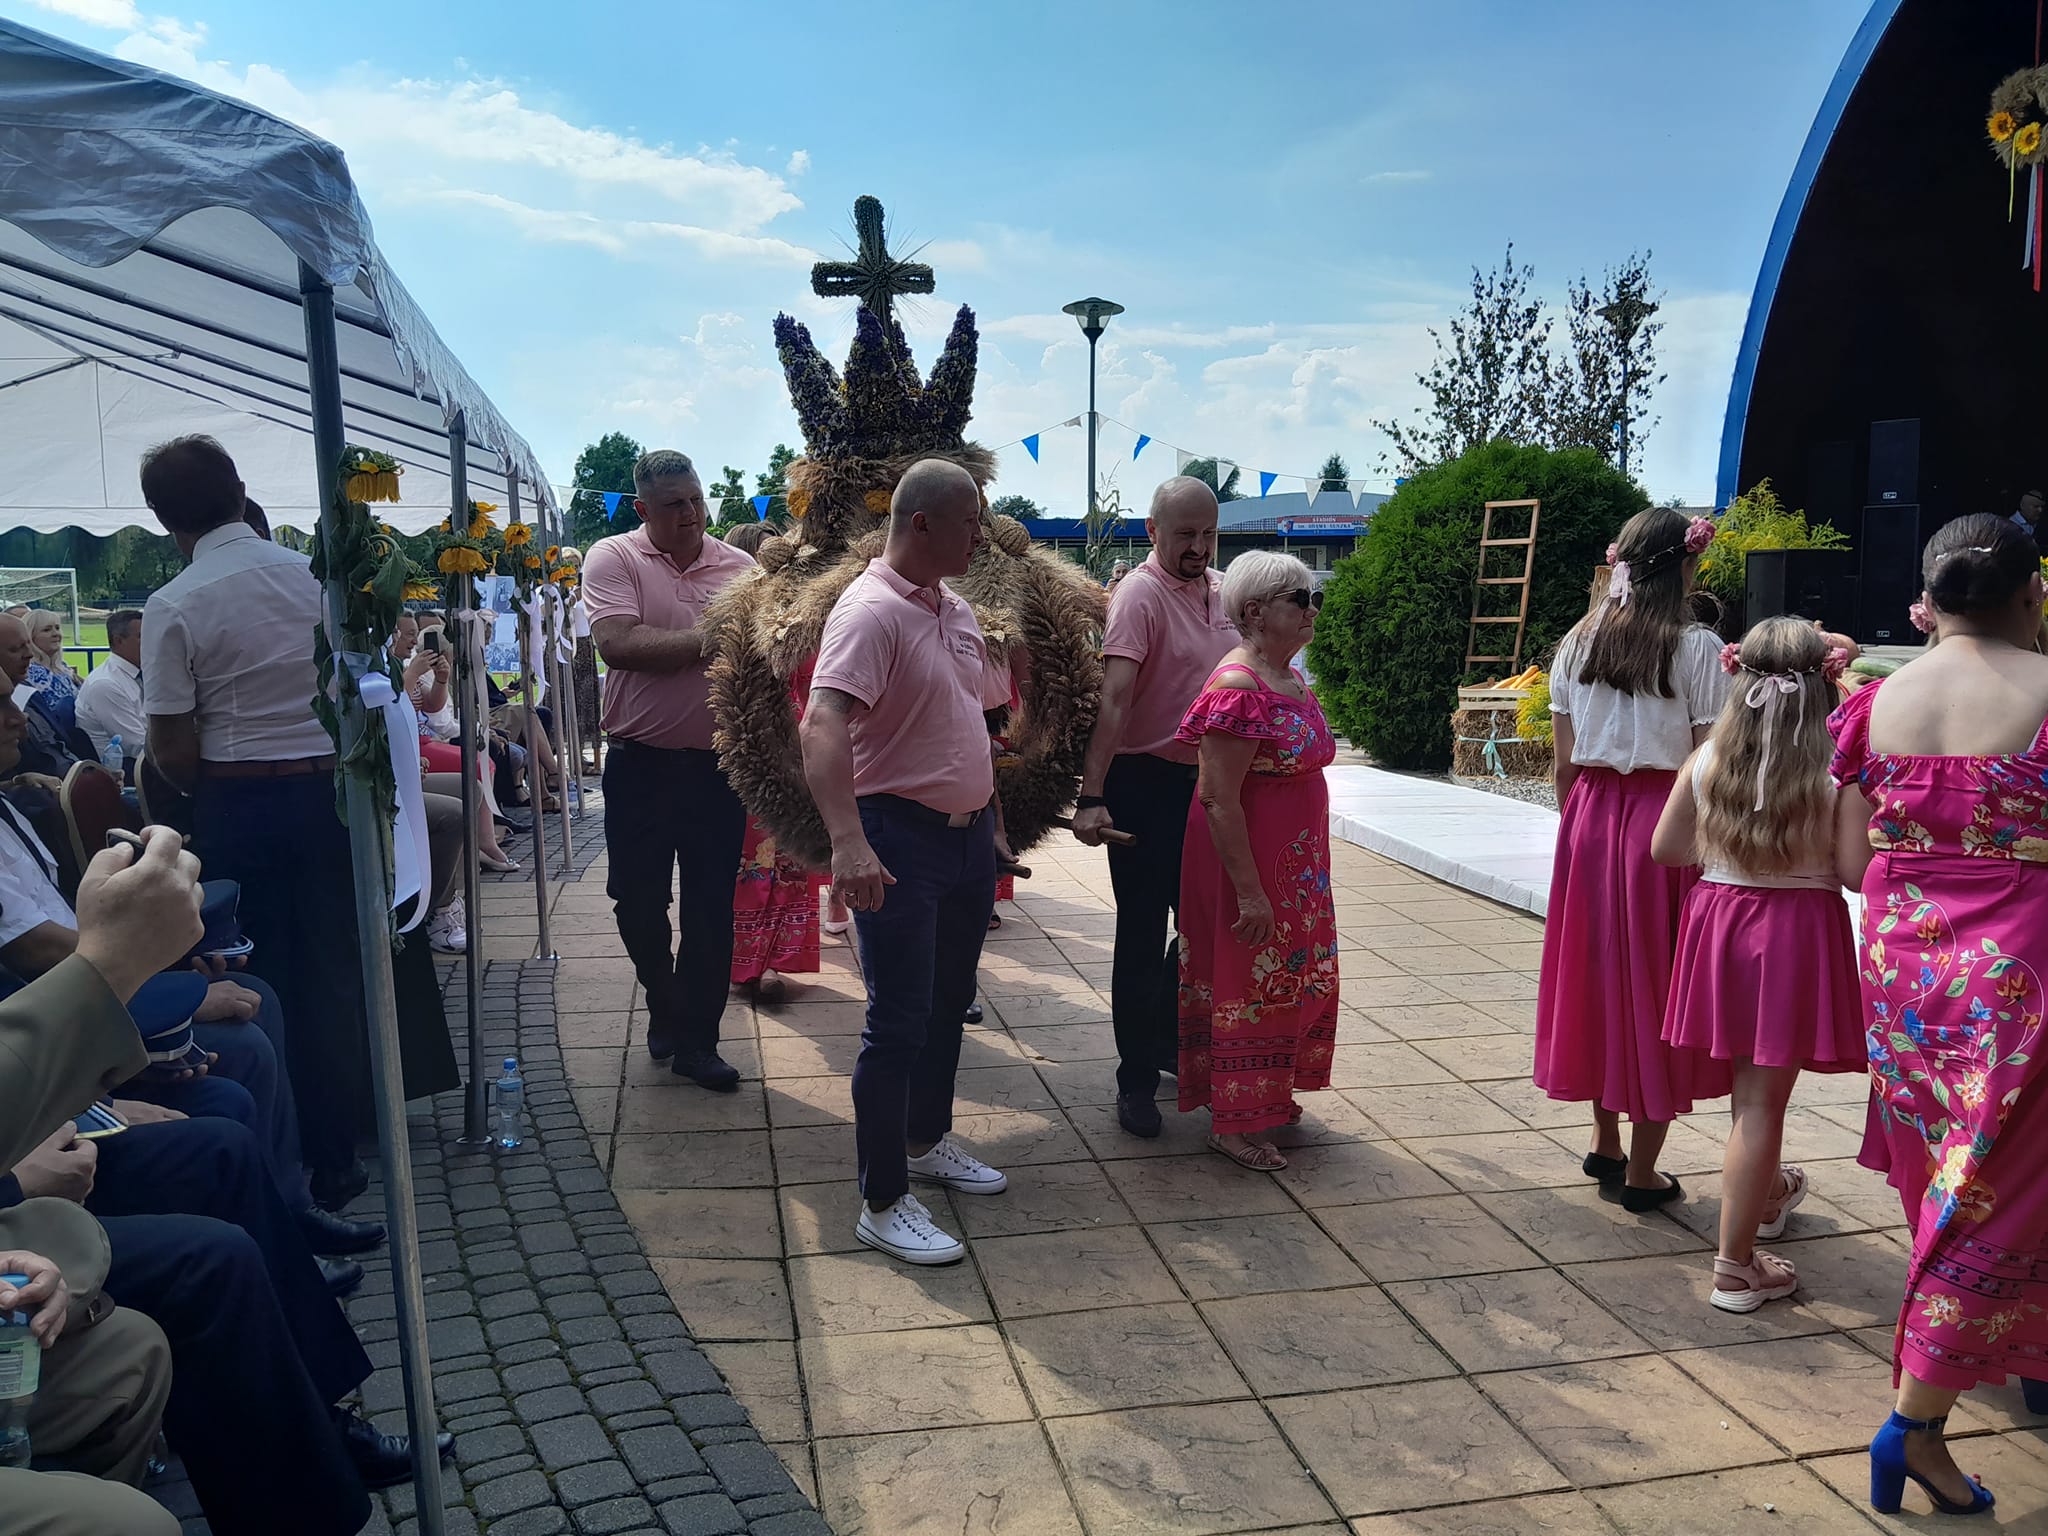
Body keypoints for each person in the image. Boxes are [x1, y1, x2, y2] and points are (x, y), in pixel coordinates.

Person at [1831, 513, 2048, 1517]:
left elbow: (1849, 862)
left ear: (1927, 598)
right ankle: (1914, 1422)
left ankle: (1984, 1355)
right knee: (2003, 1183)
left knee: (1950, 1170)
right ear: (2030, 593)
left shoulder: (1873, 704)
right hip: (2019, 970)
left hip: (1903, 969)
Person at [138, 435, 371, 1209]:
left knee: (255, 975)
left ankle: (285, 1154)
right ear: (240, 491)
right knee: (333, 972)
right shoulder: (318, 580)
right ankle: (339, 1152)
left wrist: (209, 788)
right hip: (329, 793)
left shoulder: (174, 603)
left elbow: (171, 746)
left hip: (239, 800)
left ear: (162, 518)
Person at [802, 459, 1012, 1264]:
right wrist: (848, 841)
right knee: (896, 1024)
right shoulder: (870, 611)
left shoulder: (952, 607)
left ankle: (925, 1141)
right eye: (969, 521)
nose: (980, 536)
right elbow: (822, 723)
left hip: (964, 842)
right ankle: (882, 1200)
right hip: (898, 839)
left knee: (948, 1004)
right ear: (921, 522)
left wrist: (990, 822)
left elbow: (970, 720)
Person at [1650, 617, 1865, 1313]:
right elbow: (1856, 872)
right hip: (1796, 931)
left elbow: (1666, 850)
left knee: (1748, 1096)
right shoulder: (1836, 768)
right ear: (1823, 681)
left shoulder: (1707, 759)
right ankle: (1735, 1268)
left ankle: (1766, 1199)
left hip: (1720, 922)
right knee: (1761, 1104)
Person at [1535, 508, 1729, 1212]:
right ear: (1686, 566)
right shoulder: (1698, 647)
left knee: (1598, 977)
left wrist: (1580, 827)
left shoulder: (1576, 641)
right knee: (1658, 981)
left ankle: (1605, 1141)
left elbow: (1563, 764)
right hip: (1666, 819)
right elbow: (1710, 762)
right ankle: (1644, 1172)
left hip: (1589, 818)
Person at [583, 450, 756, 1086]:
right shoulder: (614, 557)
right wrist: (711, 638)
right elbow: (618, 644)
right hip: (640, 768)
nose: (690, 514)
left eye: (696, 499)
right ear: (641, 508)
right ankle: (664, 997)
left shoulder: (740, 568)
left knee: (711, 908)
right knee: (636, 900)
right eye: (673, 504)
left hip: (719, 770)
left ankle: (697, 1043)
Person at [1070, 477, 1236, 1137]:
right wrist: (1091, 794)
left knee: (1202, 927)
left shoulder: (1223, 591)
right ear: (1152, 531)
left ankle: (1166, 1040)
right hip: (1145, 782)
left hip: (1210, 786)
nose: (1198, 547)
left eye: (1208, 534)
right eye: (1185, 535)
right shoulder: (1140, 595)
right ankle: (1135, 1080)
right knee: (1142, 933)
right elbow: (1114, 699)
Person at [1171, 551, 1339, 1171]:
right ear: (1254, 611)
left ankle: (1265, 1093)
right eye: (1300, 598)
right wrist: (1249, 892)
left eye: (1313, 597)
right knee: (1247, 980)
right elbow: (1217, 796)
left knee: (1289, 977)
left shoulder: (1287, 677)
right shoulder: (1239, 687)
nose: (1312, 608)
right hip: (1249, 867)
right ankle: (1233, 1119)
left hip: (1296, 870)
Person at [73, 609, 144, 778]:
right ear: (119, 641)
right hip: (125, 771)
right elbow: (136, 746)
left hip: (141, 761)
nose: (152, 642)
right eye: (142, 636)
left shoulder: (139, 673)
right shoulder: (105, 684)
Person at [23, 612, 80, 735]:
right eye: (47, 630)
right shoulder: (31, 673)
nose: (56, 634)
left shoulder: (62, 667)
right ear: (30, 636)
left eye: (57, 628)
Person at [2010, 487, 2045, 551]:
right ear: (2023, 506)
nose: (2040, 510)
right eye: (2036, 506)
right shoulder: (2010, 526)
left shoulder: (2038, 524)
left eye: (2042, 507)